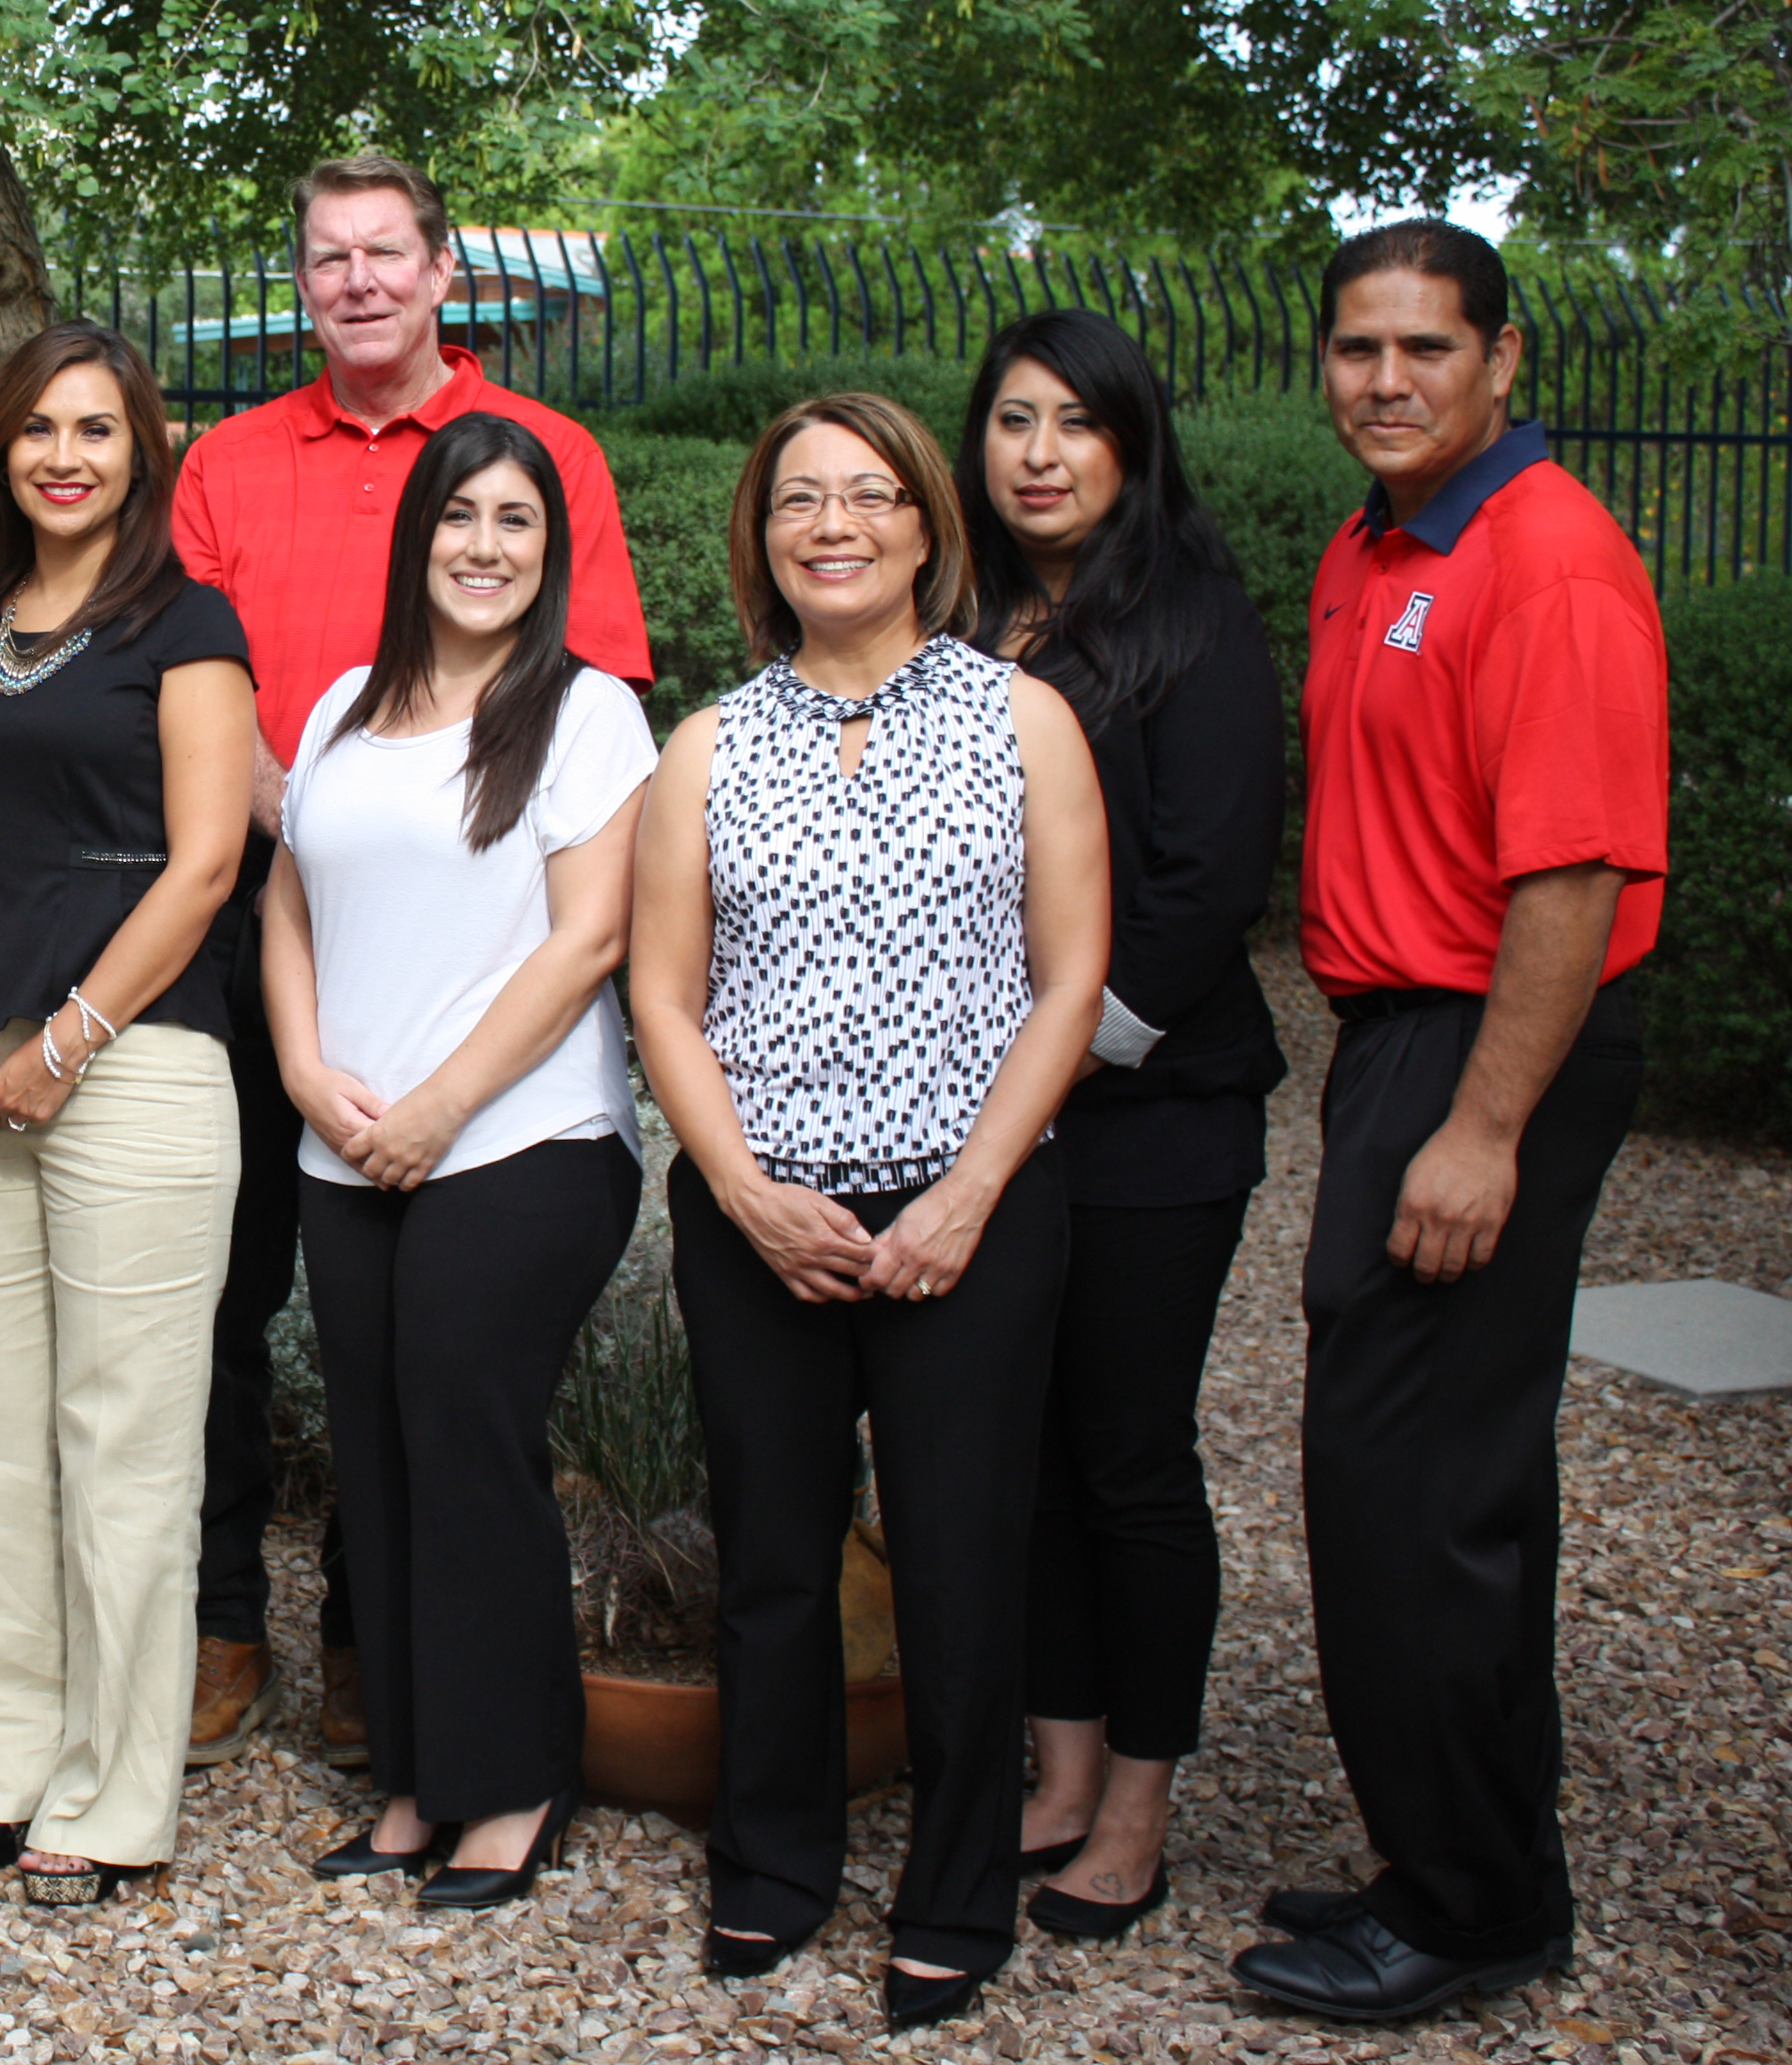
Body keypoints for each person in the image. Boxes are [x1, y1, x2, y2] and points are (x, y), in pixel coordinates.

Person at [622, 394, 1108, 2029]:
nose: (833, 525)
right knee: (772, 1558)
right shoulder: (708, 745)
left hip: (969, 1209)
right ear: (762, 540)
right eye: (798, 503)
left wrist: (973, 1192)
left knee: (963, 1563)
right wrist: (749, 1196)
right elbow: (665, 1001)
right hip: (766, 1213)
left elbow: (1069, 980)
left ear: (923, 529)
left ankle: (959, 1893)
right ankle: (773, 1865)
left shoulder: (1023, 722)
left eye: (869, 496)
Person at [166, 154, 654, 1767]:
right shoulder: (230, 460)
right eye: (329, 256)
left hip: (476, 942)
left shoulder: (542, 458)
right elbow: (202, 680)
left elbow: (599, 703)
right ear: (303, 279)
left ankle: (385, 1649)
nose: (359, 280)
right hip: (266, 913)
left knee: (422, 1341)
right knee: (230, 1296)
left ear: (445, 272)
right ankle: (225, 1618)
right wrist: (303, 815)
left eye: (389, 253)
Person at [1229, 221, 1662, 2025]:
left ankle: (1476, 1902)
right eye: (1355, 351)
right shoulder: (1376, 544)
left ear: (1503, 361)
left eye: (1424, 348)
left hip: (1488, 1037)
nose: (1386, 381)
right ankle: (1454, 1857)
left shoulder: (1545, 556)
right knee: (1395, 1477)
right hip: (1402, 1031)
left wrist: (1483, 1126)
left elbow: (1569, 876)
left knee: (1429, 1491)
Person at [259, 411, 657, 1910]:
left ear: (550, 554)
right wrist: (307, 1072)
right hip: (347, 1144)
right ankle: (418, 1781)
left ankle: (515, 1784)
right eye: (458, 519)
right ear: (414, 537)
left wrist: (438, 1107)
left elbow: (591, 942)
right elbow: (288, 907)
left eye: (516, 525)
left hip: (523, 1140)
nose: (484, 549)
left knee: (467, 1434)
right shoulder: (347, 707)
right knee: (377, 1452)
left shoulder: (585, 713)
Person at [0, 322, 258, 1906]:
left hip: (137, 1068)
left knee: (124, 1445)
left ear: (142, 451)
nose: (64, 456)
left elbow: (206, 864)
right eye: (38, 428)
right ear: (0, 447)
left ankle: (115, 1791)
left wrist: (72, 1037)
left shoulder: (189, 624)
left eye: (96, 431)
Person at [950, 309, 1288, 1942]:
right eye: (1013, 421)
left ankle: (1140, 1805)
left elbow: (1204, 888)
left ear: (1132, 445)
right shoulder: (964, 621)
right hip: (989, 1115)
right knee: (1022, 1456)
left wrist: (1035, 1080)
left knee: (1130, 1456)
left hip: (1151, 1112)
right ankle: (1061, 1769)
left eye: (1075, 423)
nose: (1038, 453)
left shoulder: (1196, 625)